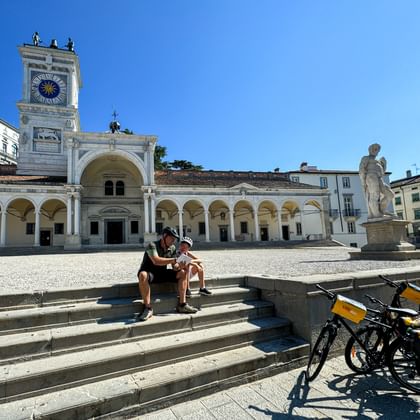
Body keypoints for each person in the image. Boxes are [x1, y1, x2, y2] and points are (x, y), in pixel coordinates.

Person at [137, 226, 198, 321]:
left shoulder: (172, 248)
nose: (173, 241)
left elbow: (175, 267)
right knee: (142, 275)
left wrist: (180, 266)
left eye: (174, 239)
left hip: (162, 273)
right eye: (172, 238)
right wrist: (174, 260)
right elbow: (156, 261)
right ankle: (148, 308)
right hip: (150, 273)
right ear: (164, 236)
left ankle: (182, 304)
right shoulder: (152, 245)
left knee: (182, 273)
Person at [359, 143, 395, 219]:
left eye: (377, 149)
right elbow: (361, 170)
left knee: (390, 194)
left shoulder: (378, 161)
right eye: (374, 148)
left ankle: (381, 210)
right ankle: (376, 214)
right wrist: (363, 182)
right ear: (369, 149)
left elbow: (382, 173)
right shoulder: (366, 158)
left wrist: (384, 164)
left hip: (379, 178)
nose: (375, 150)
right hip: (371, 177)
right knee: (374, 195)